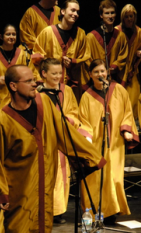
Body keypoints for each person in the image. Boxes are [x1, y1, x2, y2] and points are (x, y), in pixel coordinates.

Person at [0, 64, 106, 233]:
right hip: (20, 191)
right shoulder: (1, 121)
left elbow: (65, 132)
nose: (35, 84)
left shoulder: (45, 102)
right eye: (28, 81)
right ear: (13, 86)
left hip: (45, 186)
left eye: (34, 80)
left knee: (43, 226)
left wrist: (90, 157)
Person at [79, 59, 139, 224]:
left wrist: (127, 129)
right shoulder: (86, 97)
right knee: (98, 178)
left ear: (108, 72)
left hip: (115, 142)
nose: (100, 74)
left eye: (102, 71)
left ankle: (112, 211)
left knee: (115, 178)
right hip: (96, 144)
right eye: (96, 72)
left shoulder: (118, 90)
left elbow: (127, 111)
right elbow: (83, 120)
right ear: (90, 75)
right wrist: (87, 138)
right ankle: (98, 211)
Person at [39, 58, 92, 224]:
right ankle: (43, 209)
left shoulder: (66, 91)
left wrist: (65, 120)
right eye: (53, 73)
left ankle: (57, 211)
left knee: (61, 175)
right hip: (42, 139)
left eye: (60, 73)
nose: (57, 76)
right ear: (44, 73)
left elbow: (74, 114)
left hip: (60, 138)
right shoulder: (37, 92)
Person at [32, 0, 90, 103]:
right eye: (72, 10)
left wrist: (73, 62)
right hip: (49, 85)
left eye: (77, 12)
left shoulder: (81, 34)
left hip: (71, 86)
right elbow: (37, 58)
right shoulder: (47, 32)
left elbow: (86, 57)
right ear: (62, 11)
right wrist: (40, 81)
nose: (75, 14)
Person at [0, 23, 40, 110]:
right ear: (1, 36)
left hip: (19, 97)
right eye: (8, 34)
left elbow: (32, 73)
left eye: (14, 34)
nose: (11, 37)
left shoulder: (22, 54)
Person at [83, 0, 128, 84]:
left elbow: (123, 56)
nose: (110, 16)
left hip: (115, 80)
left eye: (112, 13)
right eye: (107, 13)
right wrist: (99, 70)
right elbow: (87, 58)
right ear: (101, 15)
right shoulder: (91, 37)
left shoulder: (121, 36)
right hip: (97, 80)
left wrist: (114, 67)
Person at [115, 4, 141, 123]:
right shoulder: (117, 31)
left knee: (134, 100)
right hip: (119, 72)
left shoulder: (139, 31)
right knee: (119, 101)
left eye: (131, 16)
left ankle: (133, 127)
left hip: (132, 71)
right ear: (122, 18)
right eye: (126, 17)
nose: (129, 19)